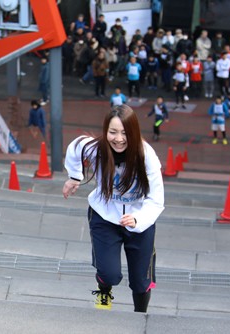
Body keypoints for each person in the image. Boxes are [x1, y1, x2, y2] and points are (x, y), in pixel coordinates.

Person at [63, 105, 164, 313]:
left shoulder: (147, 157)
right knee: (110, 274)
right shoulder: (95, 148)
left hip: (139, 222)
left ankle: (140, 317)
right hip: (104, 216)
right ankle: (104, 291)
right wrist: (74, 176)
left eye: (125, 133)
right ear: (105, 131)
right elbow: (75, 147)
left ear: (134, 132)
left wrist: (138, 219)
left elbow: (156, 199)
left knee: (140, 280)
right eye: (113, 132)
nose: (118, 139)